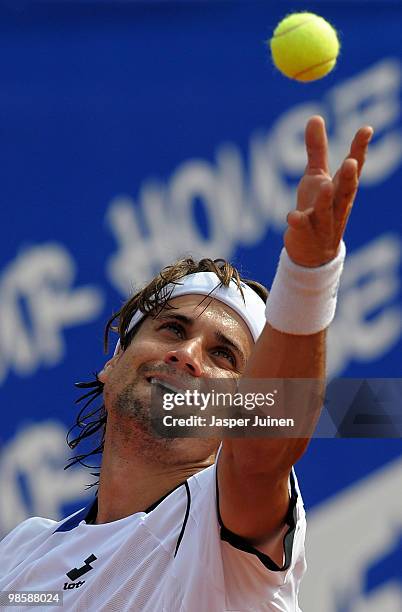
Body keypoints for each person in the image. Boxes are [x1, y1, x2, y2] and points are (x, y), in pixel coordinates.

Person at [0, 116, 372, 611]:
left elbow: (262, 451)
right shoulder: (24, 554)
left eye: (223, 355)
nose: (188, 355)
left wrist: (309, 271)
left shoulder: (218, 528)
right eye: (173, 329)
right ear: (114, 363)